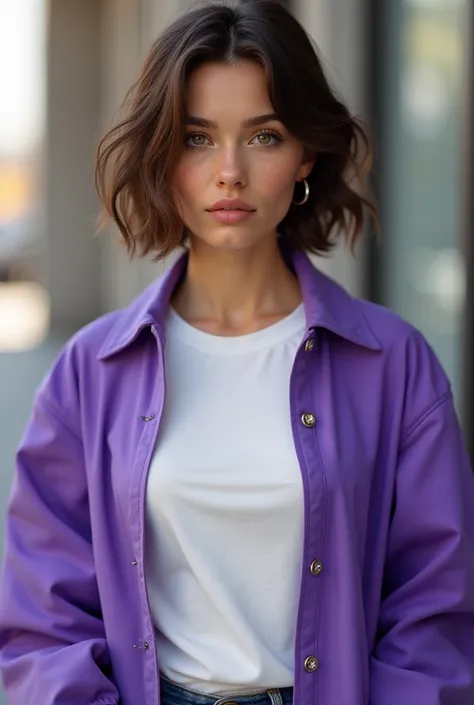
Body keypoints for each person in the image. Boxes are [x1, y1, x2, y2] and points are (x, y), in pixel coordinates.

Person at [1, 0, 474, 703]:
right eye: (197, 139)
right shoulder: (91, 372)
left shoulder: (395, 367)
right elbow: (42, 618)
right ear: (163, 156)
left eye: (263, 136)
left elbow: (433, 616)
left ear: (305, 152)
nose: (229, 172)